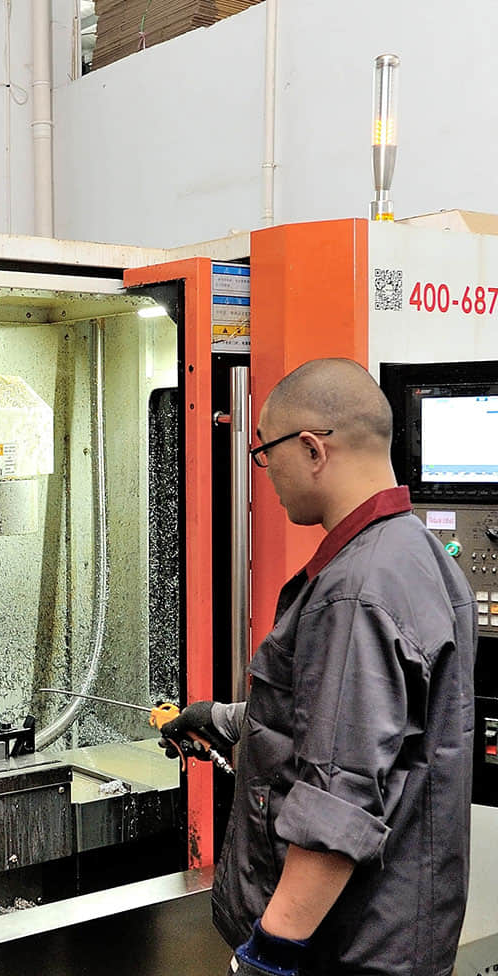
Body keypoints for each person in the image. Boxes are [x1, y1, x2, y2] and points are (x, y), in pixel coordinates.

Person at [161, 358, 476, 976]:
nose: (266, 474)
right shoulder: (420, 553)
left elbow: (339, 797)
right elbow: (376, 731)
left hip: (340, 951)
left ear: (311, 449)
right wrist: (227, 722)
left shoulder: (355, 589)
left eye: (264, 453)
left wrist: (270, 955)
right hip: (402, 939)